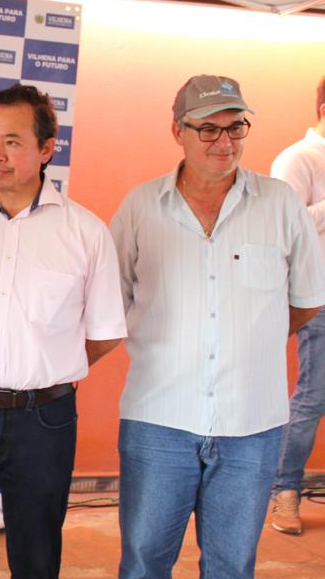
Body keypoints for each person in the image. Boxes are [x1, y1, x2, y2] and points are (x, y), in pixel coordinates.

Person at [111, 74, 325, 578]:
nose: (224, 142)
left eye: (236, 127)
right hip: (157, 420)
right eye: (208, 129)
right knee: (143, 564)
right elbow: (112, 301)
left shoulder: (281, 203)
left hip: (251, 424)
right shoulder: (141, 207)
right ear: (177, 131)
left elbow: (306, 301)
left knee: (232, 567)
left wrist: (252, 337)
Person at [0, 83, 127, 578]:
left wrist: (45, 363)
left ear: (46, 148)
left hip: (43, 419)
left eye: (12, 141)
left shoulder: (85, 232)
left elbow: (105, 332)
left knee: (35, 558)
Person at [268, 75, 325, 535]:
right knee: (313, 397)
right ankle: (284, 493)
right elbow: (282, 223)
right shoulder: (298, 158)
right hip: (320, 300)